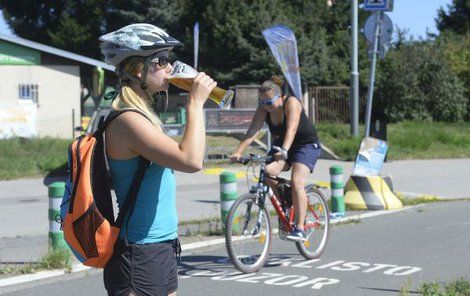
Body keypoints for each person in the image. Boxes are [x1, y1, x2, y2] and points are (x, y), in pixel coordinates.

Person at [99, 23, 216, 296]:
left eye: (169, 60)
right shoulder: (129, 121)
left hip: (159, 246)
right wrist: (195, 103)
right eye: (161, 61)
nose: (170, 68)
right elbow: (191, 160)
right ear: (138, 70)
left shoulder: (143, 118)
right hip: (140, 251)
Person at [230, 76, 321, 242]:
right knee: (267, 172)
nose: (266, 106)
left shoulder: (292, 103)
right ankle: (287, 205)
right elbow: (252, 132)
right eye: (262, 102)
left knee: (297, 181)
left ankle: (300, 227)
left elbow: (292, 129)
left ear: (279, 97)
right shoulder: (264, 109)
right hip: (283, 146)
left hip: (305, 145)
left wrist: (284, 150)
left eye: (269, 102)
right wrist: (238, 151)